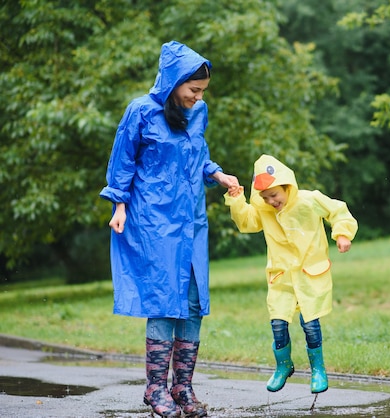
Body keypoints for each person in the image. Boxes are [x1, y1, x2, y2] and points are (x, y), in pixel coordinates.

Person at [100, 40, 239, 418]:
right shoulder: (141, 111)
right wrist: (119, 204)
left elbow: (199, 155)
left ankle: (183, 387)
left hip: (191, 221)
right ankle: (155, 388)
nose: (198, 97)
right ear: (174, 82)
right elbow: (123, 161)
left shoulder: (199, 112)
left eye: (202, 91)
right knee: (164, 300)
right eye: (193, 89)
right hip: (153, 221)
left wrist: (218, 174)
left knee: (193, 302)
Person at [224, 154, 358, 394]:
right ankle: (283, 365)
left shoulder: (309, 200)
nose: (271, 201)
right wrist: (237, 201)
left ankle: (318, 369)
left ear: (287, 186)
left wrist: (342, 233)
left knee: (310, 323)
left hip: (310, 273)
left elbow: (338, 211)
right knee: (277, 323)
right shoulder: (264, 211)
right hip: (281, 277)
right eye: (264, 197)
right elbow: (246, 222)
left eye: (274, 195)